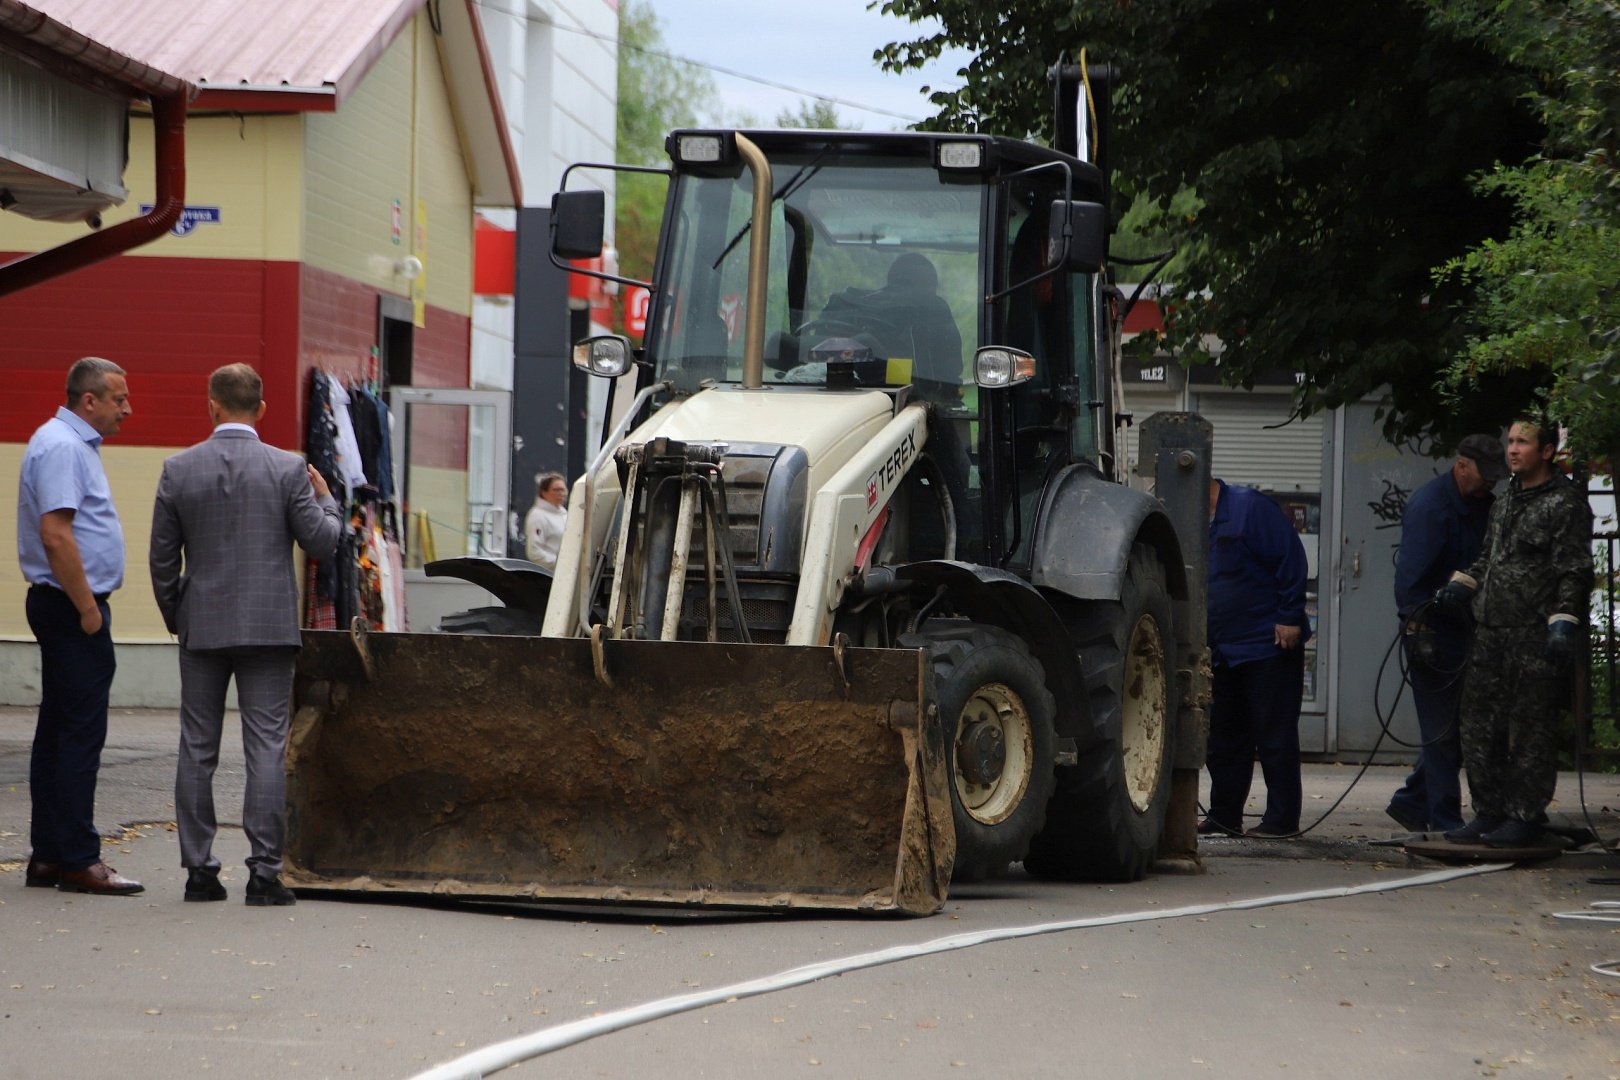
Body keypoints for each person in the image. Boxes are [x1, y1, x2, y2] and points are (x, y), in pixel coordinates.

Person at [149, 363, 342, 905]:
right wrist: (327, 500)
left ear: (211, 405)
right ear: (261, 409)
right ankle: (263, 874)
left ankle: (199, 871)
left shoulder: (177, 469)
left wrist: (176, 616)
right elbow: (323, 541)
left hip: (202, 626)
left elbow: (162, 559)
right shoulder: (287, 468)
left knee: (197, 747)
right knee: (264, 747)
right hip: (268, 628)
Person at [17, 357, 142, 896]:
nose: (127, 409)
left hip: (66, 604)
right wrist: (89, 609)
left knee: (58, 730)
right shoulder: (65, 447)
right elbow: (56, 535)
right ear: (88, 400)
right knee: (78, 734)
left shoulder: (63, 443)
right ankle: (77, 859)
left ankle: (49, 854)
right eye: (118, 399)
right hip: (72, 607)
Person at [1437, 417, 1592, 847]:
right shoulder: (1505, 502)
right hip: (1491, 630)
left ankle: (1524, 815)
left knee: (1529, 729)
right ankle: (1489, 811)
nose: (1512, 449)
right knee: (1478, 724)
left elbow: (1574, 570)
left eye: (1523, 442)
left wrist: (1563, 621)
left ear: (1546, 452)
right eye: (1510, 441)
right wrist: (1461, 585)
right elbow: (1489, 559)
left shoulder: (1564, 503)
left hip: (1531, 635)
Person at [1384, 434, 1509, 835]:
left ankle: (1410, 802)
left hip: (1466, 628)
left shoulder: (1483, 506)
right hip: (1433, 631)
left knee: (1457, 727)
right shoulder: (1431, 507)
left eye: (1495, 476)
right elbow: (1410, 579)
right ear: (1461, 465)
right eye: (1483, 475)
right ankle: (1446, 821)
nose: (1490, 482)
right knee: (1440, 733)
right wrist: (1417, 629)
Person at [1199, 477, 1312, 838]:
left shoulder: (1249, 509)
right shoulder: (1198, 522)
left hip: (1268, 644)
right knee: (1224, 738)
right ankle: (1224, 816)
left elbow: (1290, 559)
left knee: (1274, 736)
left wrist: (1290, 616)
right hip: (1224, 649)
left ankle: (1281, 820)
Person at [525, 471, 568, 571]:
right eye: (556, 490)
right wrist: (558, 563)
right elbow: (534, 552)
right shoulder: (537, 515)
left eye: (563, 490)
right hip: (548, 575)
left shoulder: (564, 513)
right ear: (543, 493)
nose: (561, 493)